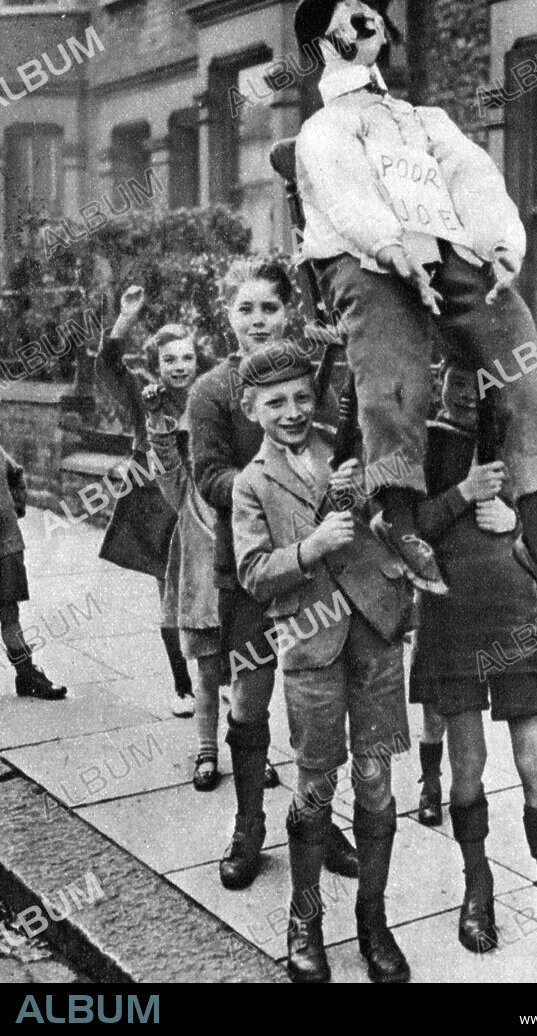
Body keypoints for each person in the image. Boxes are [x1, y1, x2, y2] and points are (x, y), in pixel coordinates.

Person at [293, 0, 537, 610]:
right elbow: (345, 192)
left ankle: (536, 517)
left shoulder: (424, 118)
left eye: (369, 13)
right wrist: (391, 248)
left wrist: (503, 243)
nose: (364, 21)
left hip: (445, 248)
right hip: (362, 257)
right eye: (347, 17)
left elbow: (471, 175)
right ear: (326, 43)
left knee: (516, 341)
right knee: (395, 369)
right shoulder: (327, 126)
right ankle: (397, 510)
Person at [409, 358, 537, 982]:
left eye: (480, 376)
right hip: (451, 615)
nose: (467, 388)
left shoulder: (518, 439)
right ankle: (477, 889)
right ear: (439, 374)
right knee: (468, 762)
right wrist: (464, 495)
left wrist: (520, 521)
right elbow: (403, 527)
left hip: (512, 615)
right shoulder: (424, 441)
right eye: (455, 375)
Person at [233, 343, 414, 984]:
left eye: (302, 397)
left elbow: (399, 520)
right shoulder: (251, 483)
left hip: (375, 635)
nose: (291, 411)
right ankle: (304, 921)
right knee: (315, 785)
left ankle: (373, 921)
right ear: (252, 409)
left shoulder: (347, 449)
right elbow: (254, 574)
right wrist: (309, 548)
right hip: (310, 648)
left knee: (376, 779)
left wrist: (365, 500)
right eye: (275, 402)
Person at [189, 259, 356, 889]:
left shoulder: (313, 381)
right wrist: (272, 495)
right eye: (245, 309)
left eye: (270, 308)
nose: (258, 321)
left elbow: (339, 453)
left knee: (317, 697)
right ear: (226, 316)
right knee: (252, 694)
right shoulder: (210, 391)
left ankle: (318, 817)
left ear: (288, 312)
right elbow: (209, 478)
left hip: (322, 572)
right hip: (252, 569)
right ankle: (249, 824)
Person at [95, 286, 206, 717]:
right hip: (156, 505)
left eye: (187, 358)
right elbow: (107, 366)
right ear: (157, 366)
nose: (180, 366)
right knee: (171, 595)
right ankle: (183, 687)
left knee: (214, 591)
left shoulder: (207, 397)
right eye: (170, 360)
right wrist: (125, 318)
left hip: (199, 503)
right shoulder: (144, 397)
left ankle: (215, 680)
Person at [142, 372, 224, 791]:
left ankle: (250, 749)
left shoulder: (243, 488)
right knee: (208, 680)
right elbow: (164, 456)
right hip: (202, 603)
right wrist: (158, 418)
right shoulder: (185, 491)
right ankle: (207, 750)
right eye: (194, 445)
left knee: (248, 685)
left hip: (244, 601)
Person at [0, 446, 66, 699]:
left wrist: (15, 507)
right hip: (7, 544)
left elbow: (16, 473)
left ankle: (26, 674)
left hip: (6, 545)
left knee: (9, 613)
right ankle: (27, 674)